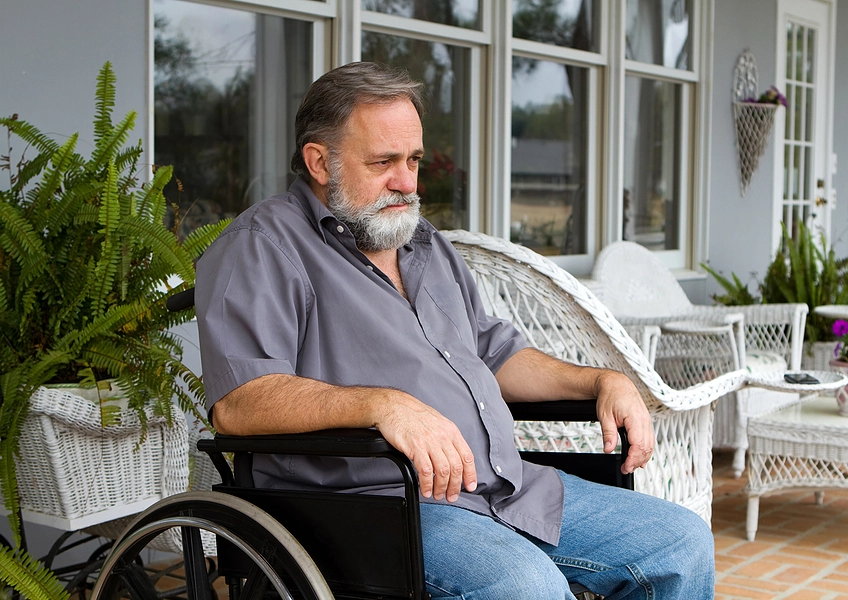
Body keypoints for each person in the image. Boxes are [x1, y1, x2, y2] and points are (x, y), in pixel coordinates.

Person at [195, 61, 714, 600]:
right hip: (374, 507)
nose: (406, 181)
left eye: (413, 159)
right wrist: (384, 405)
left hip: (502, 487)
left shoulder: (424, 243)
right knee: (526, 588)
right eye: (383, 162)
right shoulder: (263, 245)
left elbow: (492, 351)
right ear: (319, 162)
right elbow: (241, 400)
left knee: (679, 544)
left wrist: (599, 381)